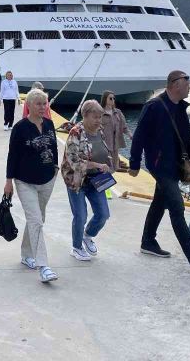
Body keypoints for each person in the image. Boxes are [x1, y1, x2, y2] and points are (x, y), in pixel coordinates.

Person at [129, 70, 190, 273]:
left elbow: (183, 133)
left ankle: (148, 241)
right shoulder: (154, 106)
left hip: (176, 165)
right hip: (160, 166)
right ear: (176, 84)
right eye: (188, 83)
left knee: (160, 202)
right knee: (177, 207)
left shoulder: (180, 107)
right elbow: (139, 136)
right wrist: (134, 164)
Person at [4, 89, 60, 283]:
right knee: (35, 220)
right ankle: (43, 265)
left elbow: (54, 147)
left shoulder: (50, 124)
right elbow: (13, 155)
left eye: (44, 104)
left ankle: (26, 253)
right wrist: (8, 181)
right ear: (29, 105)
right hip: (24, 180)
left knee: (38, 218)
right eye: (38, 104)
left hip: (47, 179)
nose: (43, 107)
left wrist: (55, 168)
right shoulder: (20, 128)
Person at [61, 100, 113, 262]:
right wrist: (96, 164)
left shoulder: (100, 131)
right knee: (80, 215)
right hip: (76, 180)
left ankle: (88, 235)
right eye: (95, 117)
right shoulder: (76, 133)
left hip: (96, 180)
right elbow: (73, 160)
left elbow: (102, 151)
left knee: (103, 214)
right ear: (85, 116)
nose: (98, 120)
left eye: (100, 117)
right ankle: (76, 247)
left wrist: (108, 161)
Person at [100, 90, 130, 171]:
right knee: (106, 163)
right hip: (104, 142)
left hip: (115, 141)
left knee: (115, 157)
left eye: (114, 98)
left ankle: (117, 167)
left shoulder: (118, 112)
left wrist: (130, 135)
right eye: (110, 98)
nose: (113, 100)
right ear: (105, 99)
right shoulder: (100, 113)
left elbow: (124, 126)